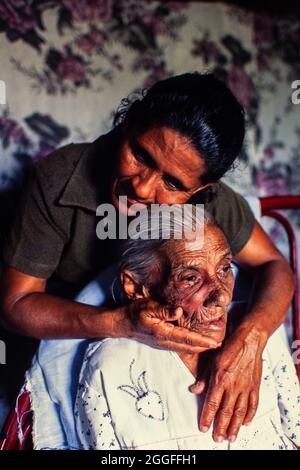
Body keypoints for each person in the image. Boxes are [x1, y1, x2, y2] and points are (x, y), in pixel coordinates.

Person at [0, 73, 294, 442]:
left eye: (172, 183)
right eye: (140, 154)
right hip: (58, 348)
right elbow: (14, 304)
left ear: (201, 190)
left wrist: (251, 339)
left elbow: (275, 265)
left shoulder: (212, 203)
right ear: (128, 121)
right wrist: (119, 323)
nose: (141, 186)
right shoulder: (59, 179)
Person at [75, 208, 300, 450]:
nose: (221, 297)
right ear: (137, 287)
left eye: (225, 268)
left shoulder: (261, 331)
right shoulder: (109, 367)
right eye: (190, 278)